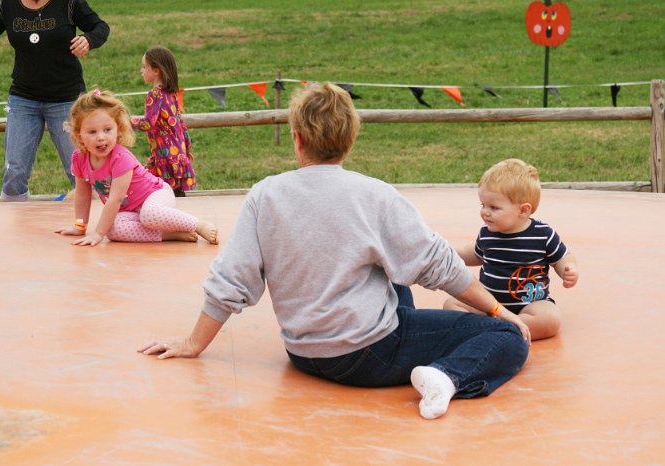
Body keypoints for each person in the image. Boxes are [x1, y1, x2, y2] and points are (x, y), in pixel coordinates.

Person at [138, 82, 530, 420]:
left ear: (297, 139)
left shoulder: (266, 195)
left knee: (392, 275)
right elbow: (438, 264)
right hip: (369, 355)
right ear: (350, 139)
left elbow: (232, 278)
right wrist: (499, 311)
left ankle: (424, 354)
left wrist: (194, 343)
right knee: (507, 338)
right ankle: (446, 377)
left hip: (305, 353)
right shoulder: (373, 195)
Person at [0, 0, 110, 201]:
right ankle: (15, 225)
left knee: (79, 169)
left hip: (66, 99)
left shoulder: (68, 3)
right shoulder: (6, 5)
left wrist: (89, 39)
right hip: (23, 98)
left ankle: (91, 225)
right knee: (14, 169)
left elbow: (100, 27)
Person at [55, 89, 218, 246]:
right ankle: (168, 234)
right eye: (92, 132)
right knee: (111, 229)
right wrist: (80, 226)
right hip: (130, 210)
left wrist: (98, 233)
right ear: (79, 135)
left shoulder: (120, 157)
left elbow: (115, 199)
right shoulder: (79, 159)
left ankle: (197, 225)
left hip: (156, 195)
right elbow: (82, 195)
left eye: (107, 130)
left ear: (117, 129)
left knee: (148, 215)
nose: (101, 137)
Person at [443, 158, 579, 341]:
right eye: (483, 205)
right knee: (451, 305)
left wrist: (568, 270)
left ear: (523, 211)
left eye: (494, 207)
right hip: (489, 303)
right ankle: (502, 327)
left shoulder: (542, 234)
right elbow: (476, 255)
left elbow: (563, 257)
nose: (485, 212)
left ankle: (508, 326)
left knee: (550, 319)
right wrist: (449, 253)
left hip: (529, 305)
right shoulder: (487, 232)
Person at [131, 45, 196, 198]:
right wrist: (186, 148)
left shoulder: (155, 94)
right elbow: (181, 124)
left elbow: (148, 123)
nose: (141, 70)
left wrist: (127, 121)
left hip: (165, 155)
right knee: (177, 195)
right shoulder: (171, 94)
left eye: (144, 66)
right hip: (177, 154)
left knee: (164, 195)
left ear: (155, 70)